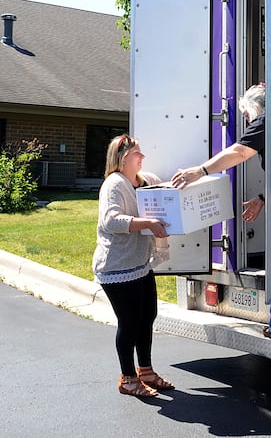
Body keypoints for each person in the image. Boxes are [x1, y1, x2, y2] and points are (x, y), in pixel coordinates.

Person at [171, 83, 271, 345]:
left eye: (245, 114)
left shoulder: (266, 119)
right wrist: (262, 198)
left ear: (255, 107)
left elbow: (239, 152)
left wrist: (200, 171)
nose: (247, 120)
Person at [93, 134, 174, 398]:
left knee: (146, 318)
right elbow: (111, 221)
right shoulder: (114, 185)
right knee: (129, 323)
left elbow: (163, 190)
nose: (142, 157)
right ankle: (127, 378)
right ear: (122, 157)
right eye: (137, 153)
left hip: (139, 264)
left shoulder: (142, 180)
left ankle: (146, 371)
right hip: (117, 267)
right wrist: (148, 223)